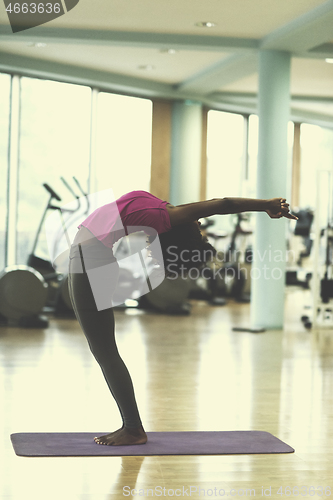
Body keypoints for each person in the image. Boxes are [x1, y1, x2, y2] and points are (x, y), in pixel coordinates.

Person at [68, 191, 297, 446]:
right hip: (88, 259)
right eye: (159, 255)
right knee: (103, 350)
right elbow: (222, 205)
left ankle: (133, 428)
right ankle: (131, 427)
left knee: (104, 351)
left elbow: (207, 209)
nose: (151, 253)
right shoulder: (167, 215)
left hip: (91, 261)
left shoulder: (163, 211)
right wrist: (265, 203)